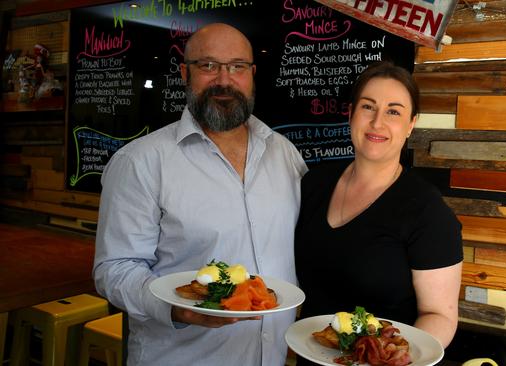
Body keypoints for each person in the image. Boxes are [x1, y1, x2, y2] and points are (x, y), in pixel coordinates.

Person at [94, 23, 307, 366]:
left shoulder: (285, 155)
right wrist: (175, 309)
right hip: (182, 357)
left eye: (237, 66)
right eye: (208, 65)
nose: (224, 80)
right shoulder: (141, 162)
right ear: (185, 73)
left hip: (272, 355)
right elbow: (115, 269)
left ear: (252, 74)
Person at [294, 61, 463, 363]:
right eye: (368, 107)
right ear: (351, 114)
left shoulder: (427, 212)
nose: (377, 122)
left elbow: (440, 316)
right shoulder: (314, 184)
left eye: (394, 111)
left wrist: (389, 359)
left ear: (411, 124)